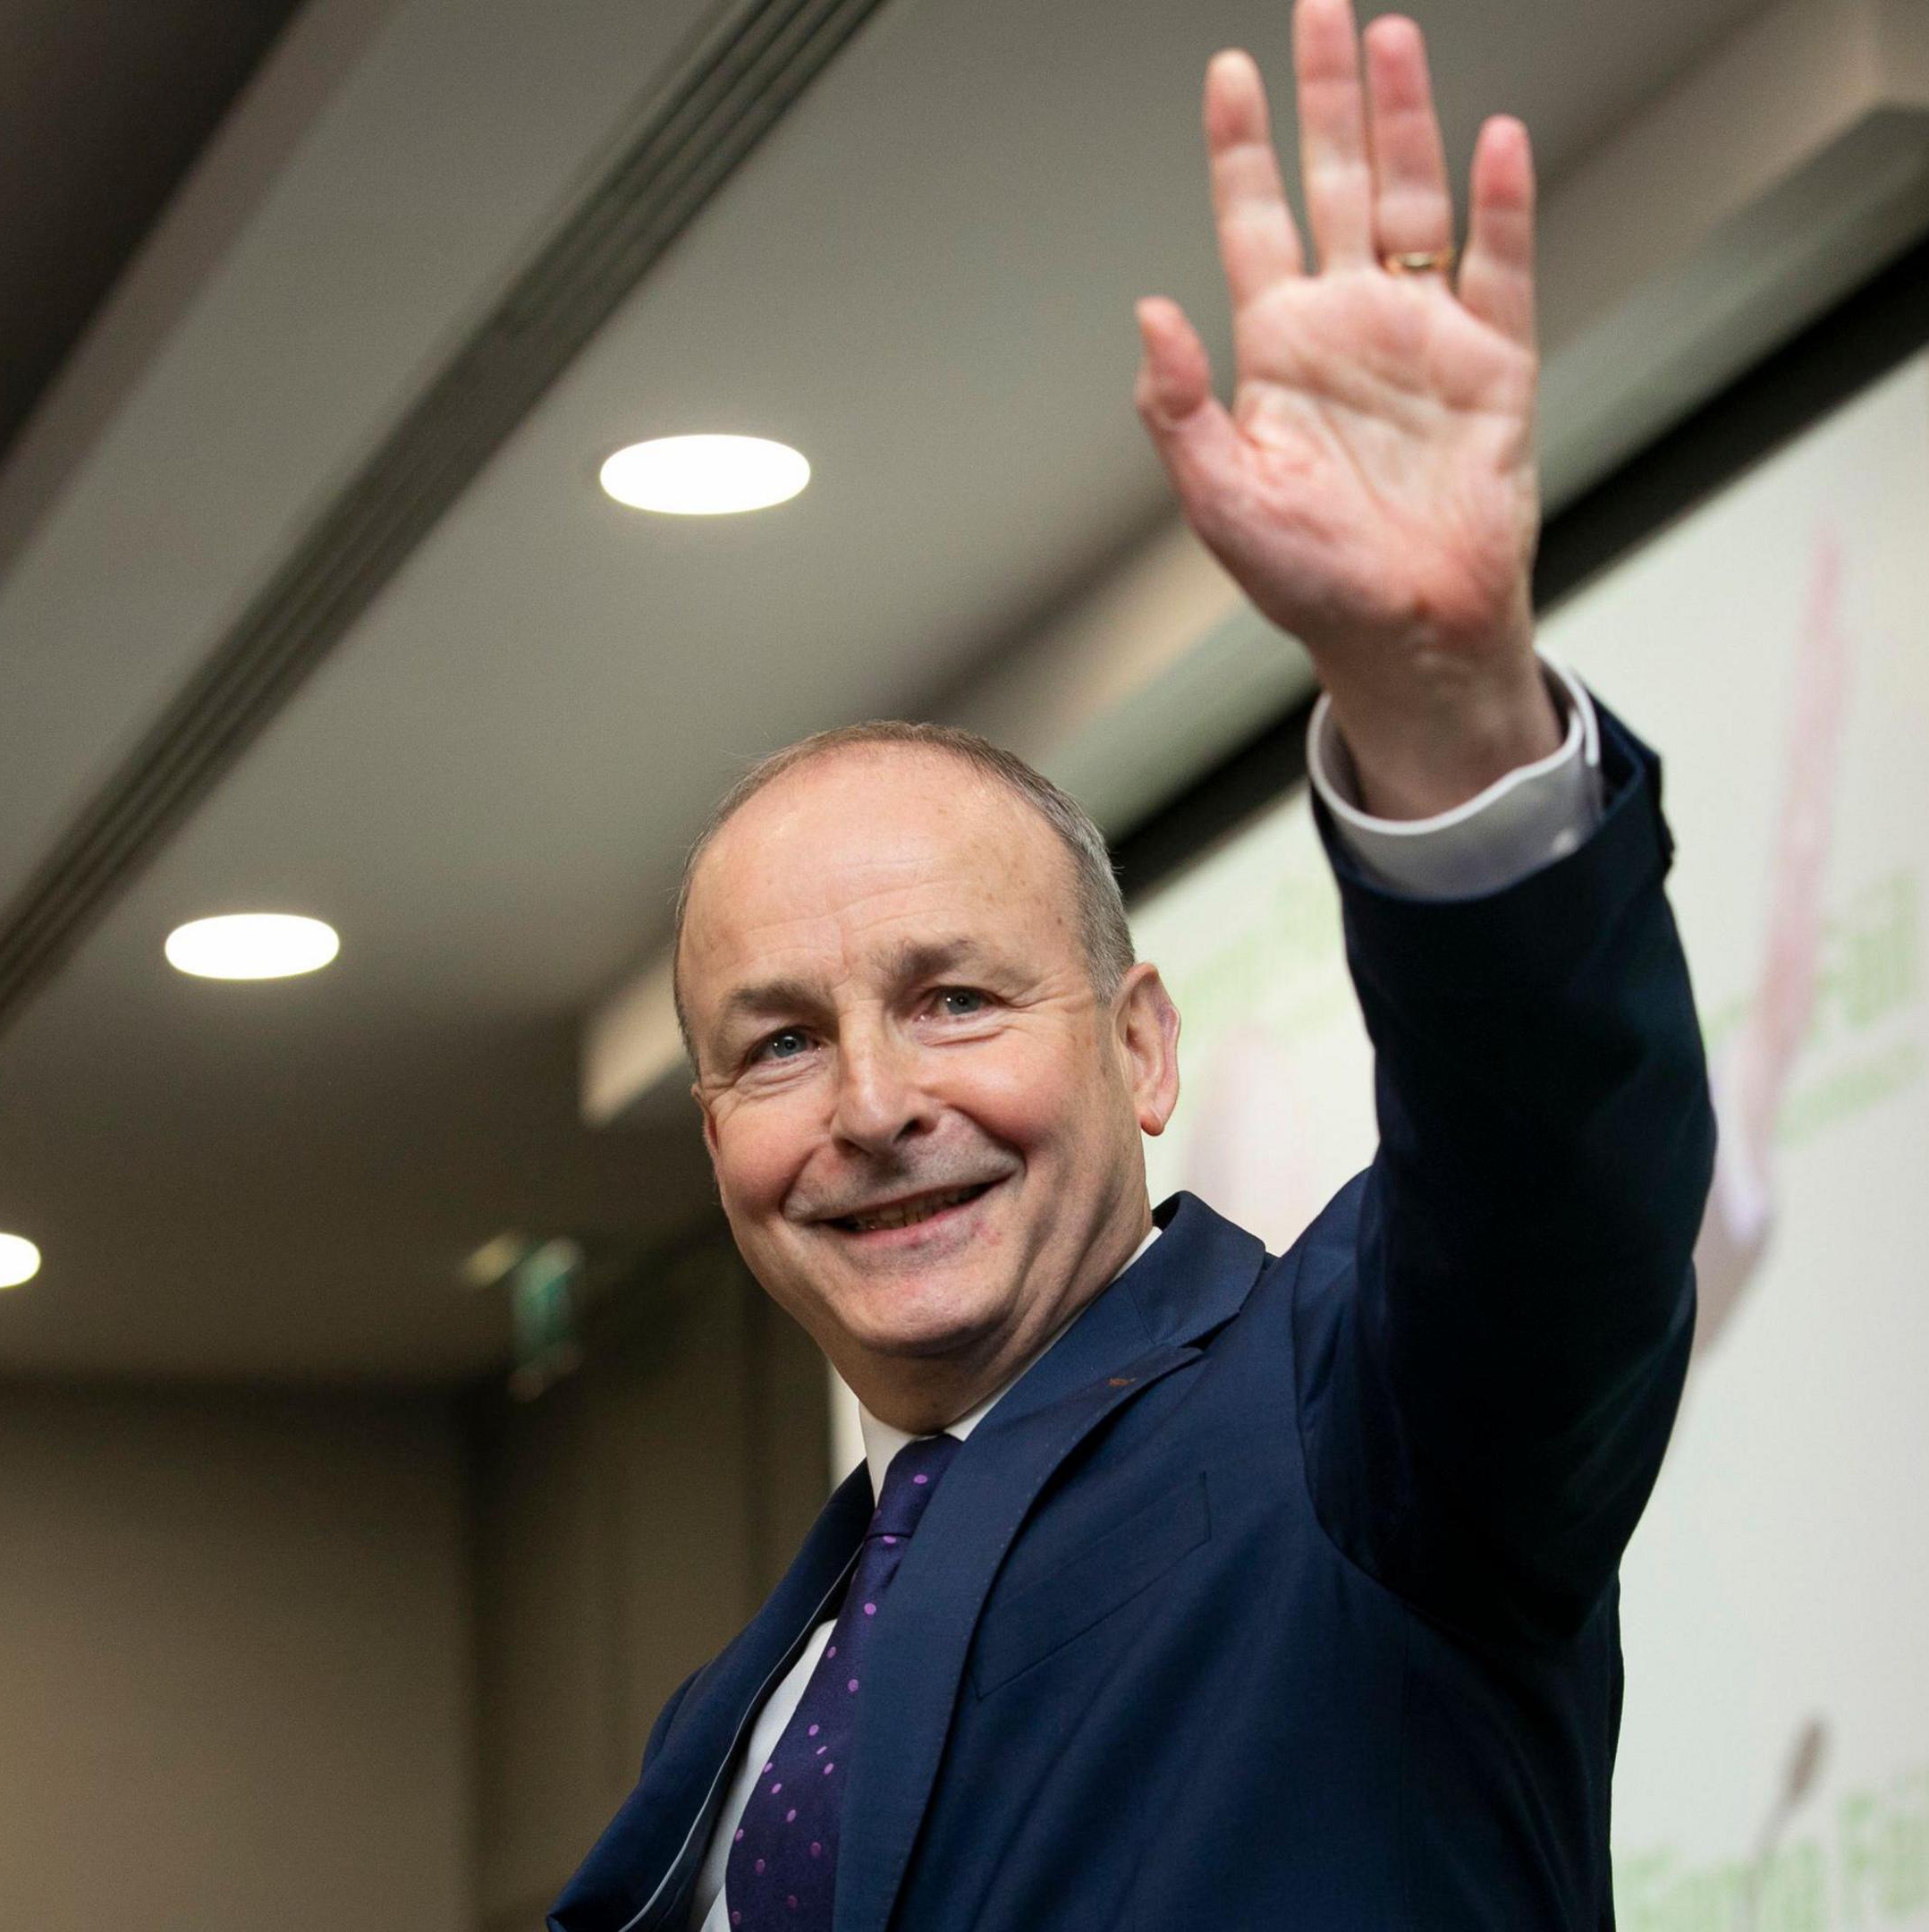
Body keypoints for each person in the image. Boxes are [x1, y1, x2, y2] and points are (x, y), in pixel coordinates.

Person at [550, 4, 1713, 1926]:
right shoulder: (742, 1709)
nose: (872, 1106)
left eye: (955, 997)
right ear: (713, 1140)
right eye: (777, 1045)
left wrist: (1440, 700)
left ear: (1145, 1048)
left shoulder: (1367, 1427)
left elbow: (1555, 1180)